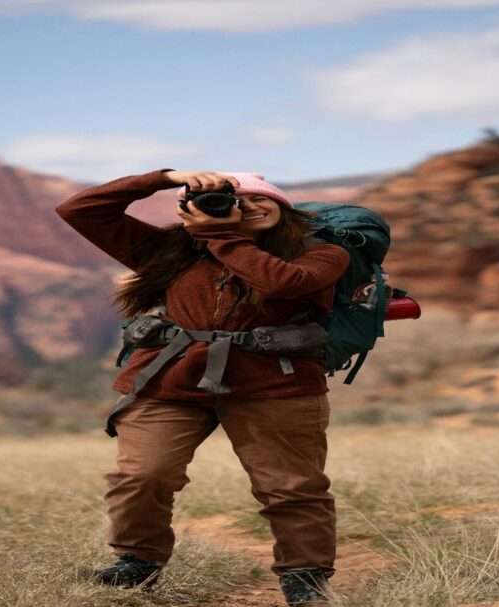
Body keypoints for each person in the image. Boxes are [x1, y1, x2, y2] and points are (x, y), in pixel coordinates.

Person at [55, 169, 350, 606]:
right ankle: (137, 562)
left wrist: (223, 235)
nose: (246, 206)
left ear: (283, 205)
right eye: (233, 200)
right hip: (171, 378)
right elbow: (78, 210)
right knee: (142, 474)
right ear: (191, 211)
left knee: (291, 486)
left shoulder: (322, 253)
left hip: (276, 382)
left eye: (258, 199)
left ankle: (305, 577)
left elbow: (283, 283)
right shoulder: (171, 252)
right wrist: (164, 176)